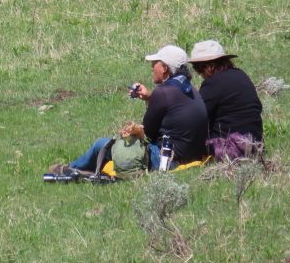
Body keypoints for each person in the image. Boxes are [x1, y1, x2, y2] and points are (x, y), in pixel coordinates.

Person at [51, 45, 208, 175]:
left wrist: (133, 130)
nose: (152, 66)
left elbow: (148, 135)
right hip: (190, 156)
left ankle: (70, 169)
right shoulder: (191, 90)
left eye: (156, 63)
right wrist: (149, 99)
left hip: (166, 159)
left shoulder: (163, 92)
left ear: (165, 68)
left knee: (102, 144)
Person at [188, 40, 263, 160]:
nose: (200, 74)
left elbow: (196, 116)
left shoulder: (213, 83)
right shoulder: (241, 75)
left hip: (231, 147)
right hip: (256, 143)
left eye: (198, 69)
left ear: (209, 67)